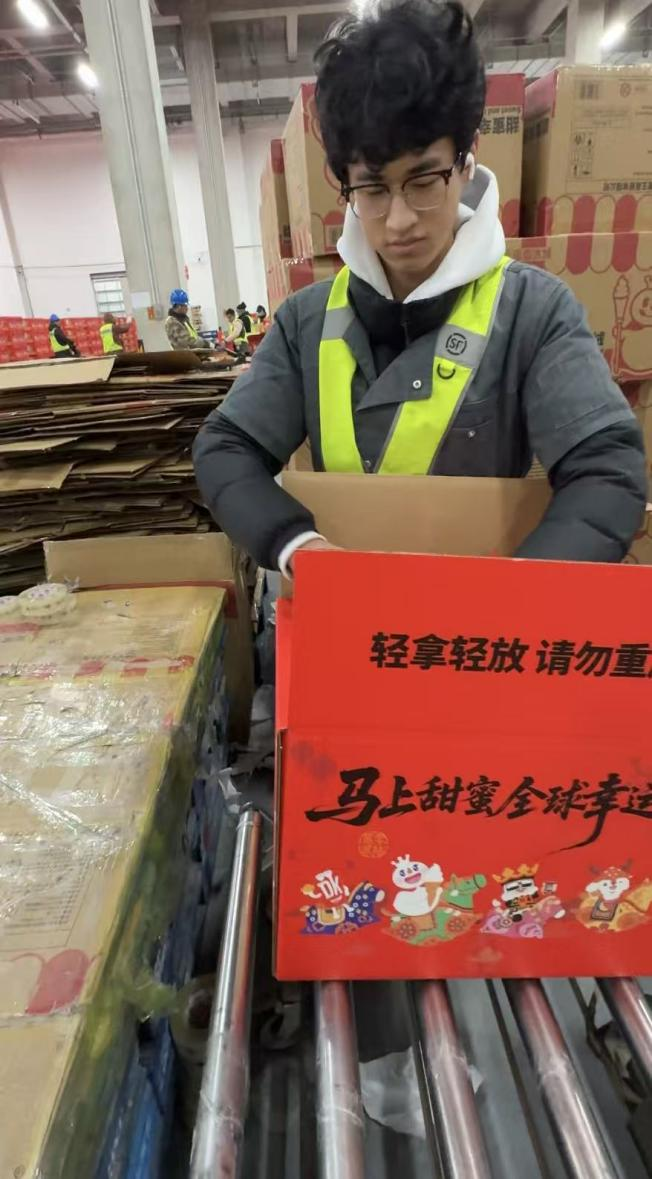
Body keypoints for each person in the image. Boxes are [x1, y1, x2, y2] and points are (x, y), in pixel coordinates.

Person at [194, 0, 645, 579]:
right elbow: (225, 446)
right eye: (373, 189)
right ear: (342, 182)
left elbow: (606, 468)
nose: (400, 219)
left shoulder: (533, 313)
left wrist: (518, 599)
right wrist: (295, 547)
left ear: (466, 159)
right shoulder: (306, 322)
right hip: (345, 614)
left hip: (479, 623)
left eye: (424, 179)